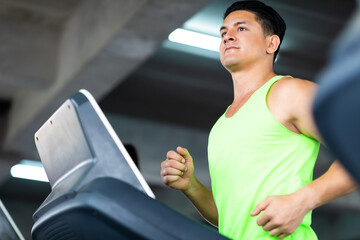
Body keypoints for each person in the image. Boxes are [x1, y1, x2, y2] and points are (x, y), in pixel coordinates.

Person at [160, 1, 358, 239]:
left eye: (241, 29)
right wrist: (191, 186)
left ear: (271, 43)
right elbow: (229, 216)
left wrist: (302, 200)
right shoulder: (221, 127)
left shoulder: (289, 92)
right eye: (223, 32)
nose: (227, 37)